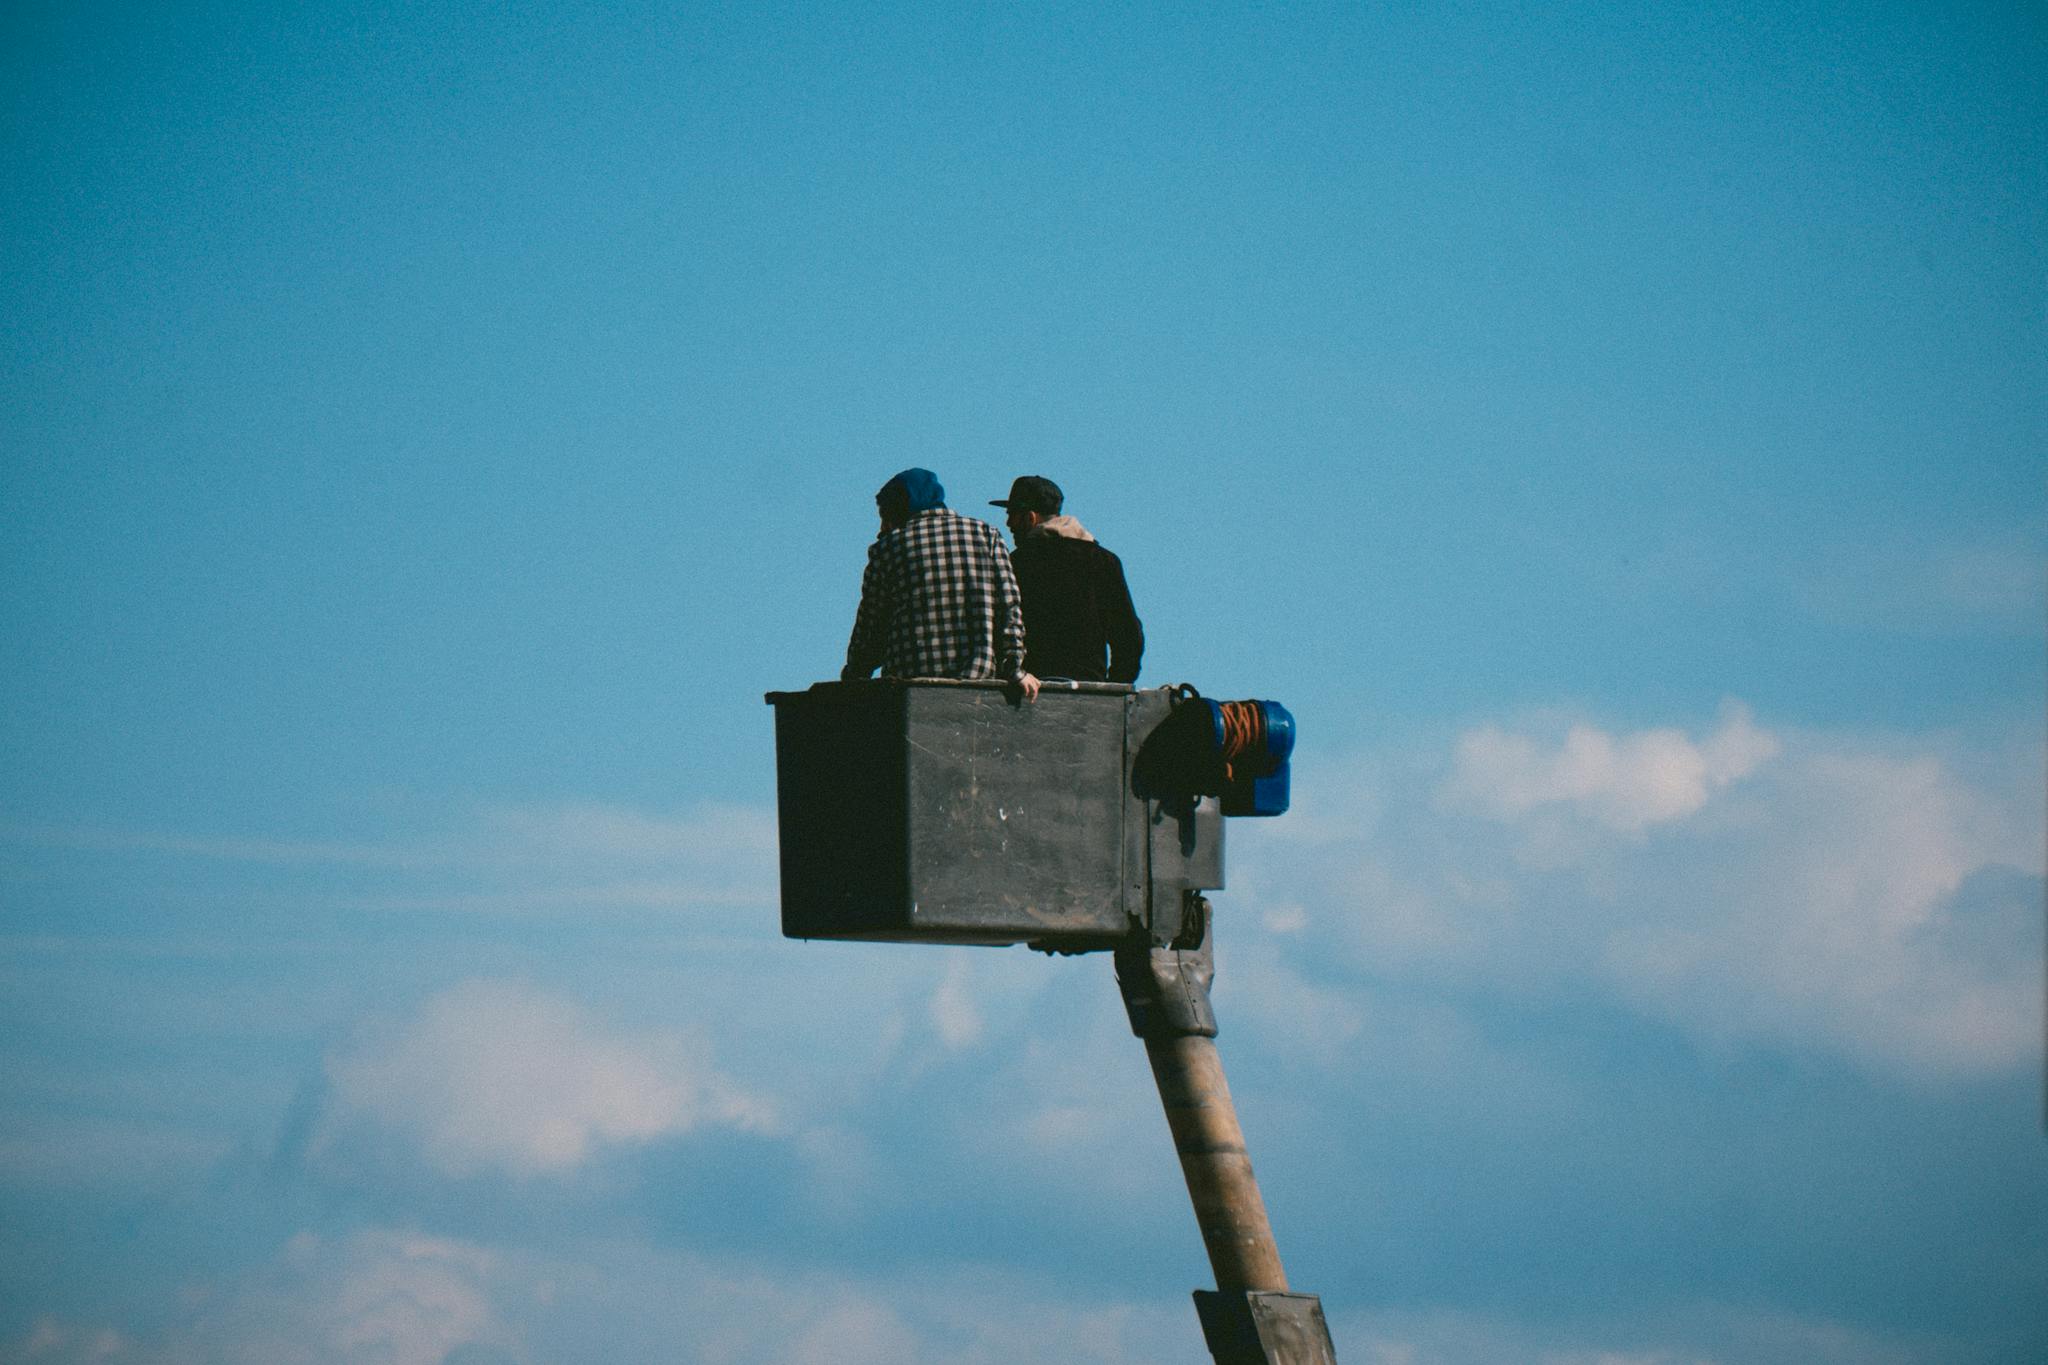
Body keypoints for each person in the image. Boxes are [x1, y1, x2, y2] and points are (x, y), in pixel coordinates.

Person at [843, 468, 1040, 700]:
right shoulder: (987, 535)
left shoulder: (887, 548)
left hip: (910, 690)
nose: (881, 528)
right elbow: (1009, 607)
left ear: (897, 509)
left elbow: (870, 627)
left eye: (884, 516)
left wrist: (855, 675)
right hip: (977, 686)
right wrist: (1014, 668)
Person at [991, 475, 1144, 684]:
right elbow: (1127, 634)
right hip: (1089, 688)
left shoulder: (1015, 563)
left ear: (1030, 518)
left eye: (1012, 515)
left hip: (1027, 691)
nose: (1008, 523)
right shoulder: (1102, 560)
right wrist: (1115, 686)